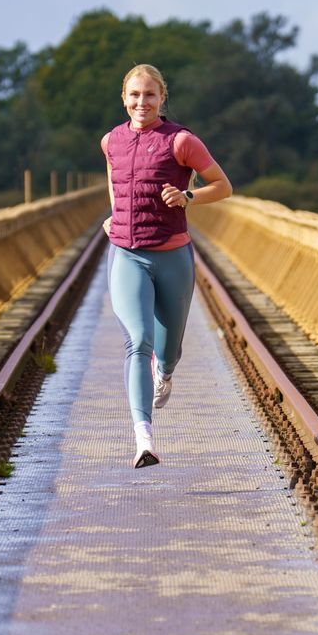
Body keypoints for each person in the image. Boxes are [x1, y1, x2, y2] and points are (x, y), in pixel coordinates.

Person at [101, 64, 233, 467]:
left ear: (162, 99)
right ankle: (143, 440)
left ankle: (166, 370)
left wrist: (189, 197)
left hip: (173, 254)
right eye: (135, 95)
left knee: (167, 348)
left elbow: (223, 186)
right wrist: (114, 215)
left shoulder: (181, 141)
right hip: (126, 253)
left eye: (150, 95)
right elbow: (114, 181)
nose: (142, 102)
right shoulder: (111, 141)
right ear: (124, 98)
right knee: (136, 342)